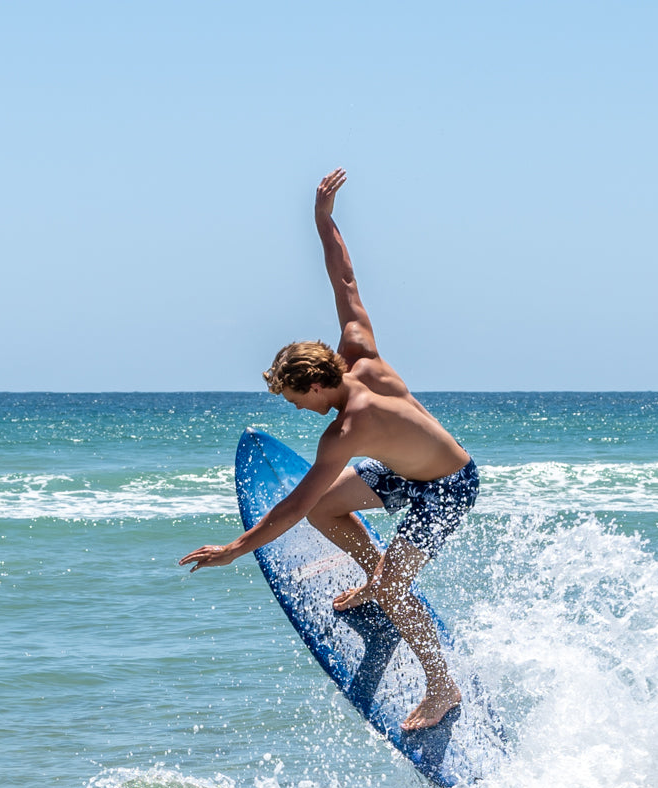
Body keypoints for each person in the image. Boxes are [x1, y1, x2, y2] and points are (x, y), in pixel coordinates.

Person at [180, 168, 479, 731]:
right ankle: (375, 574)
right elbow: (345, 280)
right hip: (405, 469)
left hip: (448, 487)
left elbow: (290, 507)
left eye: (295, 398)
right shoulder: (359, 351)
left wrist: (233, 550)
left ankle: (442, 687)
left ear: (316, 385)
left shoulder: (345, 432)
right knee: (329, 508)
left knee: (394, 588)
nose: (295, 407)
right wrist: (324, 220)